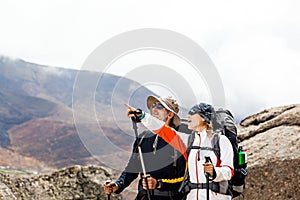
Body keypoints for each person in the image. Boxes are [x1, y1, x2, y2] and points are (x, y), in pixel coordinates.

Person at [133, 102, 234, 200]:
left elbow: (229, 171)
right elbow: (163, 130)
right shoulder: (189, 140)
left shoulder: (221, 141)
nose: (189, 116)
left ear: (203, 118)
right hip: (192, 196)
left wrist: (214, 172)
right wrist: (143, 116)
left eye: (193, 114)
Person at [104, 96, 187, 200]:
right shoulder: (143, 137)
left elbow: (184, 180)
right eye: (153, 106)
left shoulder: (179, 141)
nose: (154, 109)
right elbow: (132, 168)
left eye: (160, 106)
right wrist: (117, 185)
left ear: (170, 114)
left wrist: (158, 184)